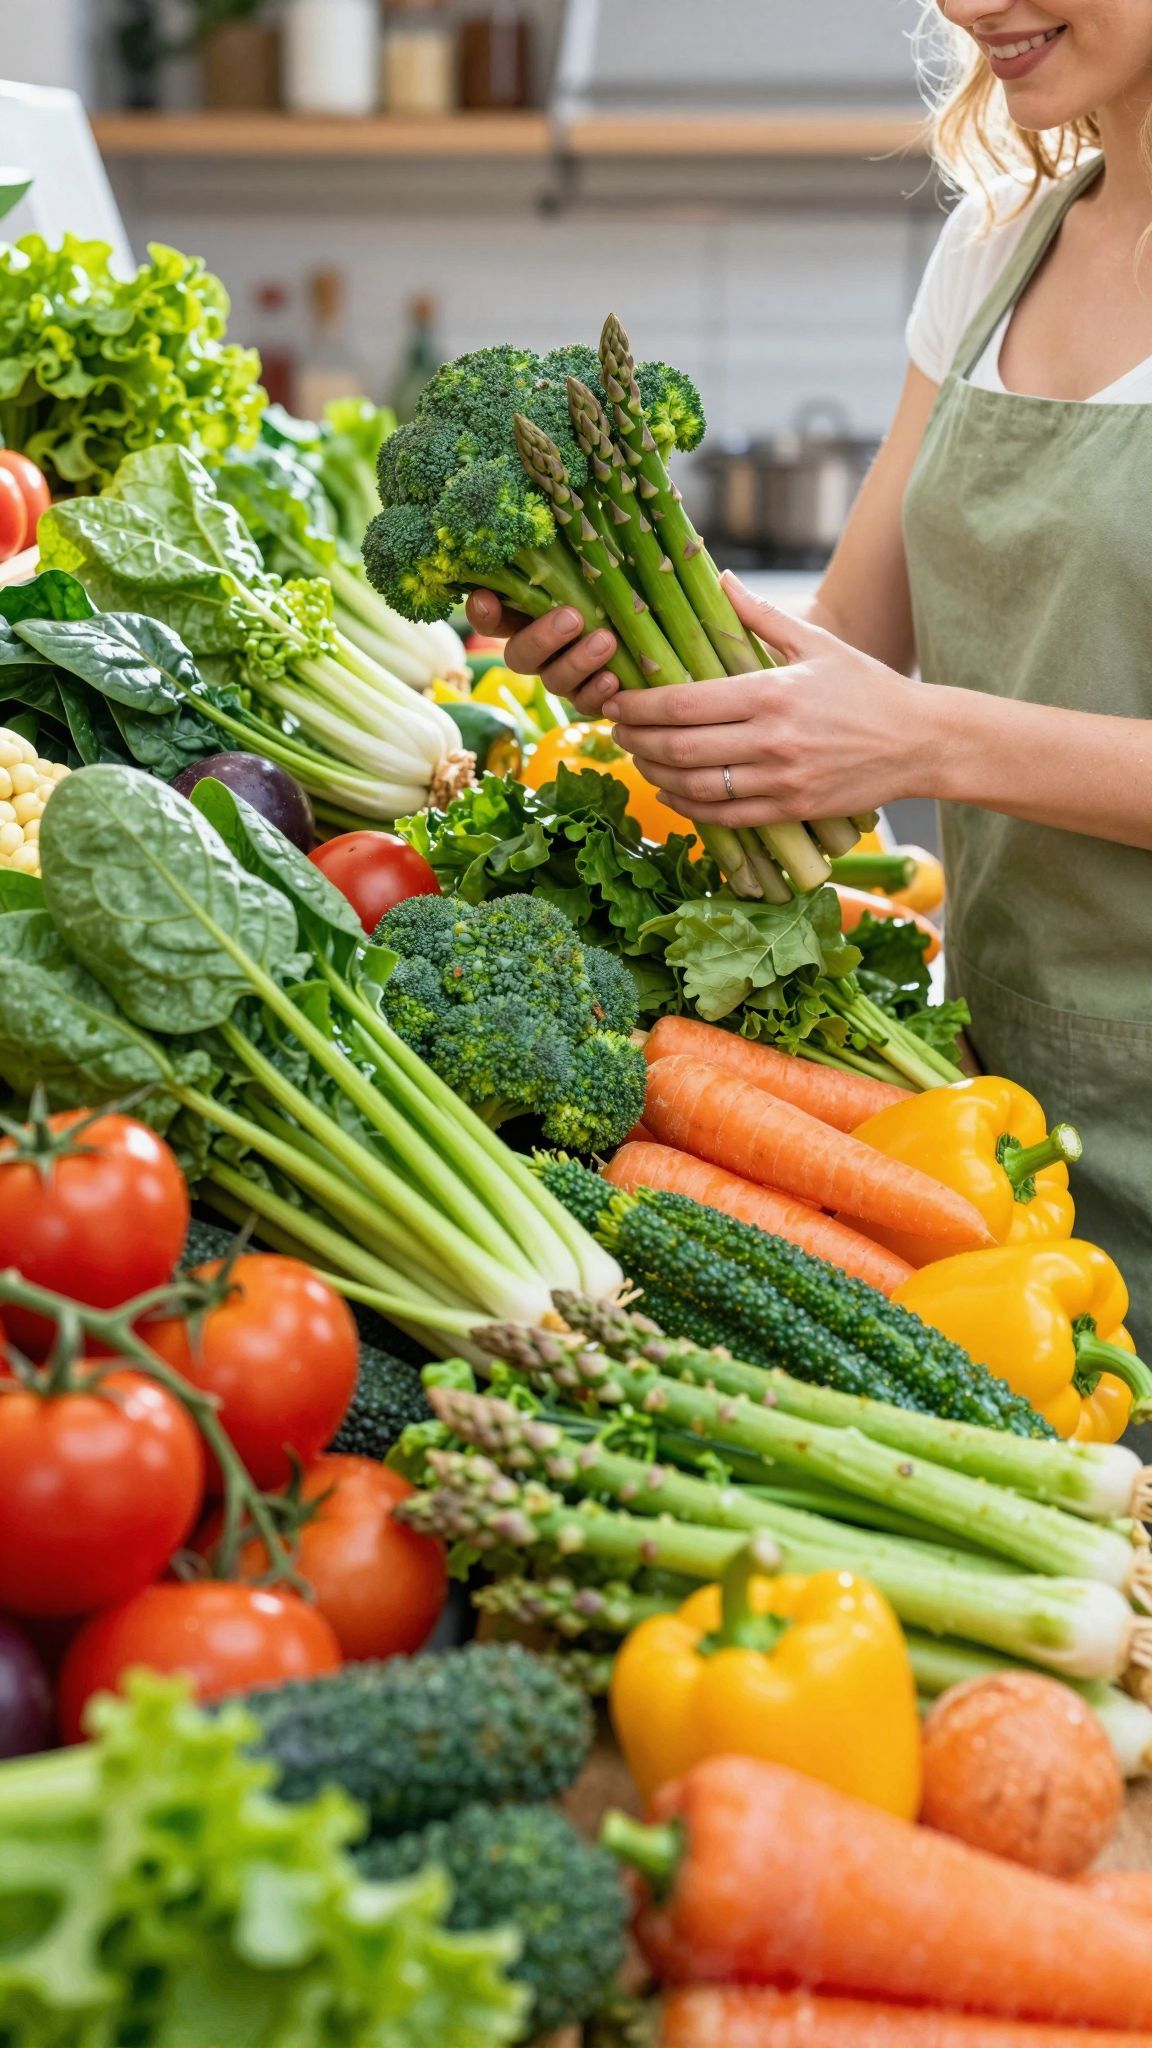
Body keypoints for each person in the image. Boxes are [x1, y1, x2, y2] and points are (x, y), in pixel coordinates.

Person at [466, 0, 1152, 1346]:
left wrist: (924, 742)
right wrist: (648, 659)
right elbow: (852, 632)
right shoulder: (997, 248)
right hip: (1001, 1115)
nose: (968, 5)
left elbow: (907, 720)